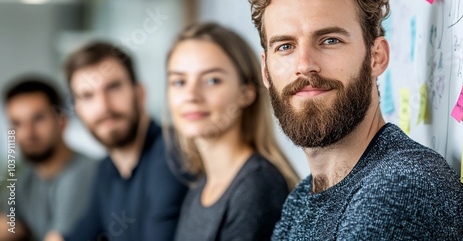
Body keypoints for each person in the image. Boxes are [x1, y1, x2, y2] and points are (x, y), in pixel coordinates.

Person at [246, 0, 463, 240]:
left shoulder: (401, 183)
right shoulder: (304, 196)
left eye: (329, 40)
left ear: (376, 57)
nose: (304, 65)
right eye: (285, 46)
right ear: (266, 70)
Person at [166, 22, 299, 241]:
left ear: (246, 93)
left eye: (212, 80)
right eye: (179, 81)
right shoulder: (200, 187)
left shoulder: (257, 187)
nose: (191, 95)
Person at [61, 41, 188, 241]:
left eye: (113, 87)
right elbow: (83, 232)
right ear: (78, 111)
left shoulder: (172, 153)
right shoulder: (107, 168)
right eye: (87, 96)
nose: (103, 106)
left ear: (139, 94)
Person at [0, 78, 97, 241]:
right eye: (17, 123)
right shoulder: (27, 178)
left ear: (62, 121)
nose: (28, 133)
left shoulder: (84, 173)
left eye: (38, 119)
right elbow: (8, 227)